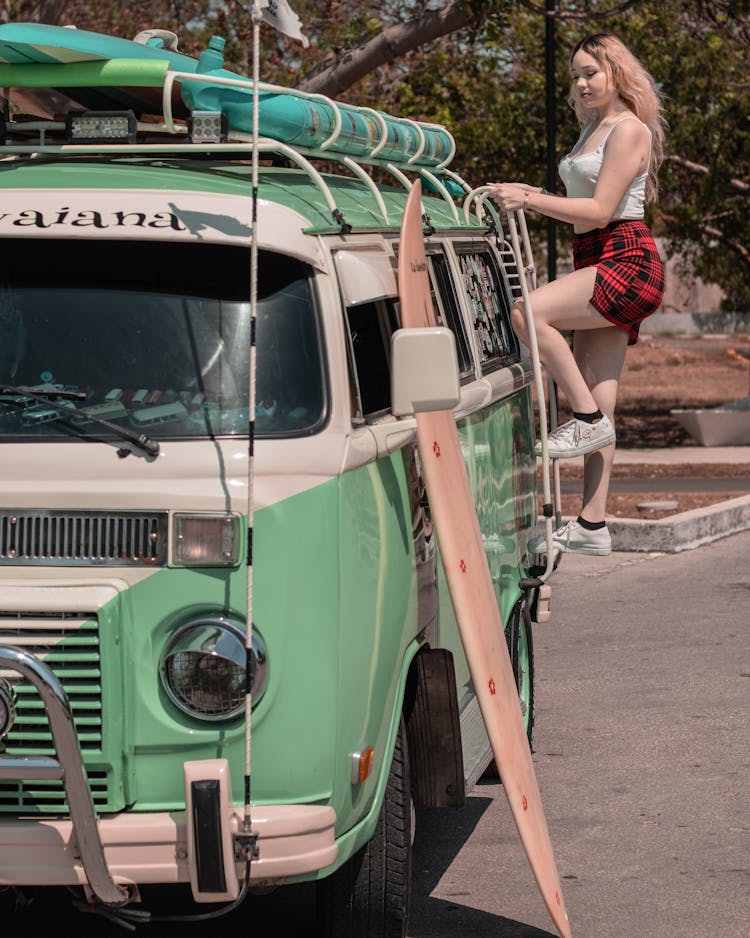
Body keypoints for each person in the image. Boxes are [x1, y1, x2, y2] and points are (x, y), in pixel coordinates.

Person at [488, 33, 666, 556]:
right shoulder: (592, 128)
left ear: (616, 73)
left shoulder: (628, 129)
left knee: (527, 311)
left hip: (624, 255)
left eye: (591, 72)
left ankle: (583, 421)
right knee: (598, 388)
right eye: (575, 75)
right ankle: (593, 523)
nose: (582, 83)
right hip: (595, 256)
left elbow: (601, 210)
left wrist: (529, 197)